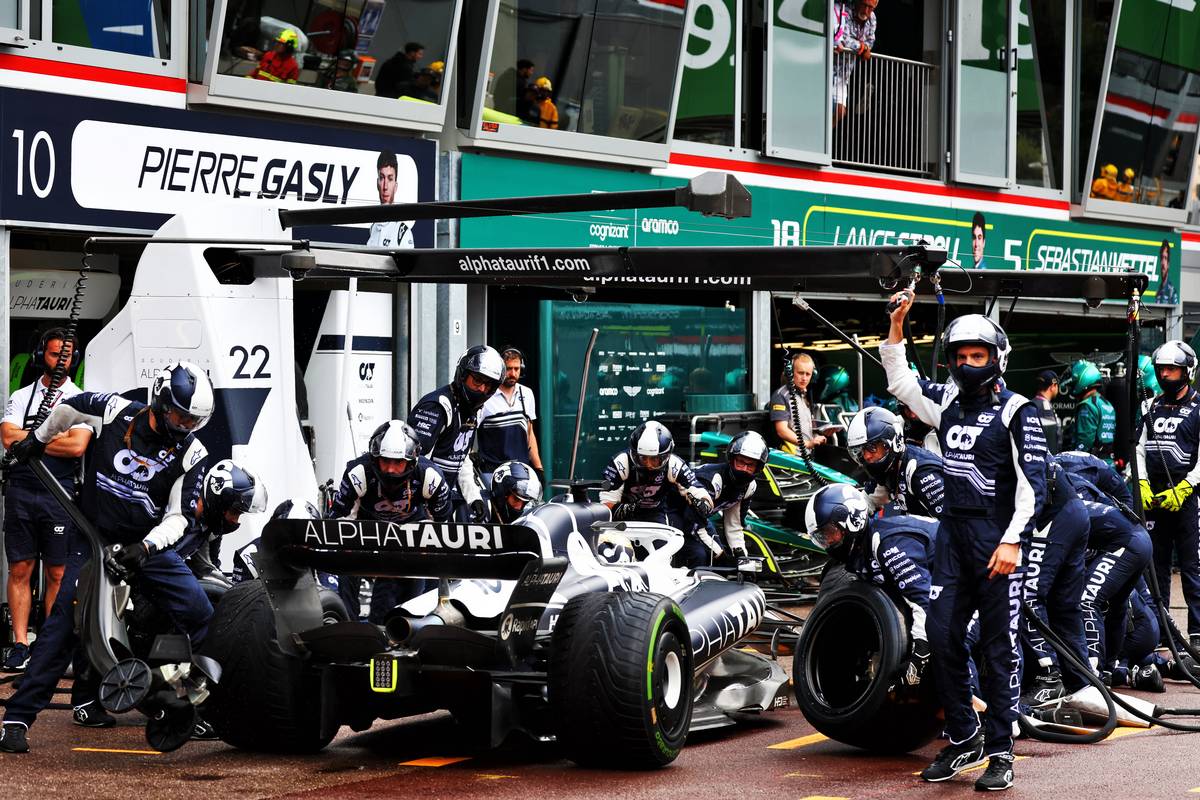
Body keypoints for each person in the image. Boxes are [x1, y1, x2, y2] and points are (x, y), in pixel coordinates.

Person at [0, 362, 214, 754]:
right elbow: (71, 407)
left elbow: (180, 516)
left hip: (146, 547)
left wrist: (146, 548)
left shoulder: (194, 451)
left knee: (200, 611)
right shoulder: (116, 410)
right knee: (62, 625)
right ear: (161, 402)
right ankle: (16, 718)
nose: (186, 425)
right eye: (180, 415)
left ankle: (194, 703)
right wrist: (39, 438)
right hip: (94, 539)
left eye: (194, 419)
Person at [882, 297, 1046, 791]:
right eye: (960, 356)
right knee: (942, 635)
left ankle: (1000, 751)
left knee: (998, 651)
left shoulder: (1019, 412)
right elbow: (900, 381)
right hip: (952, 538)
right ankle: (963, 738)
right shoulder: (948, 402)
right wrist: (895, 324)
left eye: (978, 356)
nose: (967, 364)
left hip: (1000, 545)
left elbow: (1033, 486)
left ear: (997, 357)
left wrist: (1014, 541)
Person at [1, 330, 92, 672]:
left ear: (74, 360)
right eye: (55, 355)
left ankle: (49, 649)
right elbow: (8, 437)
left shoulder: (81, 400)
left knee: (56, 573)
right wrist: (54, 436)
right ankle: (21, 643)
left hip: (60, 494)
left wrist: (33, 442)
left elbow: (77, 446)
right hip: (22, 490)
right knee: (21, 568)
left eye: (66, 357)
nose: (60, 363)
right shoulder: (22, 396)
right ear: (43, 356)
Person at [805, 483, 935, 687]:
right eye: (822, 538)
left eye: (830, 533)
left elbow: (924, 601)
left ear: (851, 520)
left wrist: (920, 655)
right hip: (939, 582)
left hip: (975, 575)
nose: (828, 542)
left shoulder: (887, 544)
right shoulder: (860, 550)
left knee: (950, 655)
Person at [327, 420, 452, 623]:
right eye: (385, 461)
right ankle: (347, 625)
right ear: (374, 458)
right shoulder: (358, 472)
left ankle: (411, 626)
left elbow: (442, 526)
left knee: (406, 596)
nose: (391, 470)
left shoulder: (431, 477)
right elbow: (339, 520)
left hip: (411, 536)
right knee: (344, 562)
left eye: (398, 462)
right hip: (368, 532)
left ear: (411, 461)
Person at [1136, 340, 1200, 651]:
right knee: (1155, 567)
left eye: (1172, 369)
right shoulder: (1149, 406)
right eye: (1161, 369)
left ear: (1187, 371)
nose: (1165, 374)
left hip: (1188, 498)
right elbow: (1137, 449)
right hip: (1155, 499)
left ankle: (1198, 637)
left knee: (1192, 568)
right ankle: (1161, 632)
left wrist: (1187, 486)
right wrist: (1143, 484)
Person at [408, 345, 504, 521]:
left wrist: (473, 497)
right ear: (462, 375)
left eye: (488, 385)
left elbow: (460, 455)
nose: (482, 389)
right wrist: (426, 506)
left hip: (443, 500)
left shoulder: (476, 410)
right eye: (477, 380)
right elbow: (414, 462)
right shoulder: (438, 407)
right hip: (418, 505)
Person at [663, 430, 768, 567]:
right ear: (731, 459)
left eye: (750, 465)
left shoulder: (749, 487)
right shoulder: (713, 480)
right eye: (741, 462)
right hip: (673, 513)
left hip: (699, 520)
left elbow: (734, 525)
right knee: (700, 555)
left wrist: (742, 558)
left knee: (722, 555)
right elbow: (694, 523)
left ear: (758, 468)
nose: (744, 469)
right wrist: (720, 556)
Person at [600, 420, 712, 530]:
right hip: (621, 518)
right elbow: (606, 507)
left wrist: (704, 502)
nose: (648, 465)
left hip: (655, 515)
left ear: (666, 456)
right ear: (633, 453)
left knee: (663, 546)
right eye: (643, 458)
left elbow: (696, 489)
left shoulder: (674, 464)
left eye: (654, 459)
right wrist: (628, 509)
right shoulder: (620, 463)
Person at [846, 406, 944, 518]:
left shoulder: (919, 472)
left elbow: (952, 527)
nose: (866, 456)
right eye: (861, 450)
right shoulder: (890, 469)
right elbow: (866, 502)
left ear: (892, 443)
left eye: (872, 447)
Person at [475, 346, 543, 479]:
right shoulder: (485, 396)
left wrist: (539, 467)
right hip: (491, 472)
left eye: (516, 369)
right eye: (509, 369)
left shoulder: (527, 394)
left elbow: (530, 434)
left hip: (520, 470)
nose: (513, 373)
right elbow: (468, 432)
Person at [831, 0, 877, 126]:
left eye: (870, 7)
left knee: (840, 112)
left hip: (843, 74)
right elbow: (842, 38)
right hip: (827, 67)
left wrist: (864, 47)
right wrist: (861, 47)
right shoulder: (844, 9)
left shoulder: (872, 18)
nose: (866, 10)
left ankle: (817, 139)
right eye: (864, 5)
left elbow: (870, 42)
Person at [770, 353, 826, 453]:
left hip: (806, 455)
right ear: (790, 372)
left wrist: (820, 433)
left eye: (808, 374)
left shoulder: (802, 395)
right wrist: (807, 444)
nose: (804, 378)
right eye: (800, 373)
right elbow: (782, 430)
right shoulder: (781, 395)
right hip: (791, 457)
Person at [456, 461, 542, 524]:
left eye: (525, 502)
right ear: (502, 493)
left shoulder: (527, 514)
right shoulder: (475, 505)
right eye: (516, 499)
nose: (519, 507)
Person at [1066, 359, 1115, 463]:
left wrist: (1074, 460)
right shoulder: (1106, 404)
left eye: (1074, 382)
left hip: (1090, 465)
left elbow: (1085, 440)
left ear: (1083, 379)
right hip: (1107, 462)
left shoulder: (1087, 406)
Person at [366, 150, 414, 249]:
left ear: (396, 186)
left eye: (390, 178)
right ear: (377, 183)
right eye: (382, 178)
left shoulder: (402, 232)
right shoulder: (373, 228)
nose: (385, 186)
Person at [1032, 370, 1061, 454]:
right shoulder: (1045, 407)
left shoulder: (1031, 403)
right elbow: (1050, 440)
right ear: (1053, 386)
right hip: (1046, 461)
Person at [1157, 240, 1178, 306]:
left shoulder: (1172, 291)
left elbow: (1175, 314)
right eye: (1162, 258)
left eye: (1165, 258)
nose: (1163, 263)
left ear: (1168, 264)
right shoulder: (1158, 290)